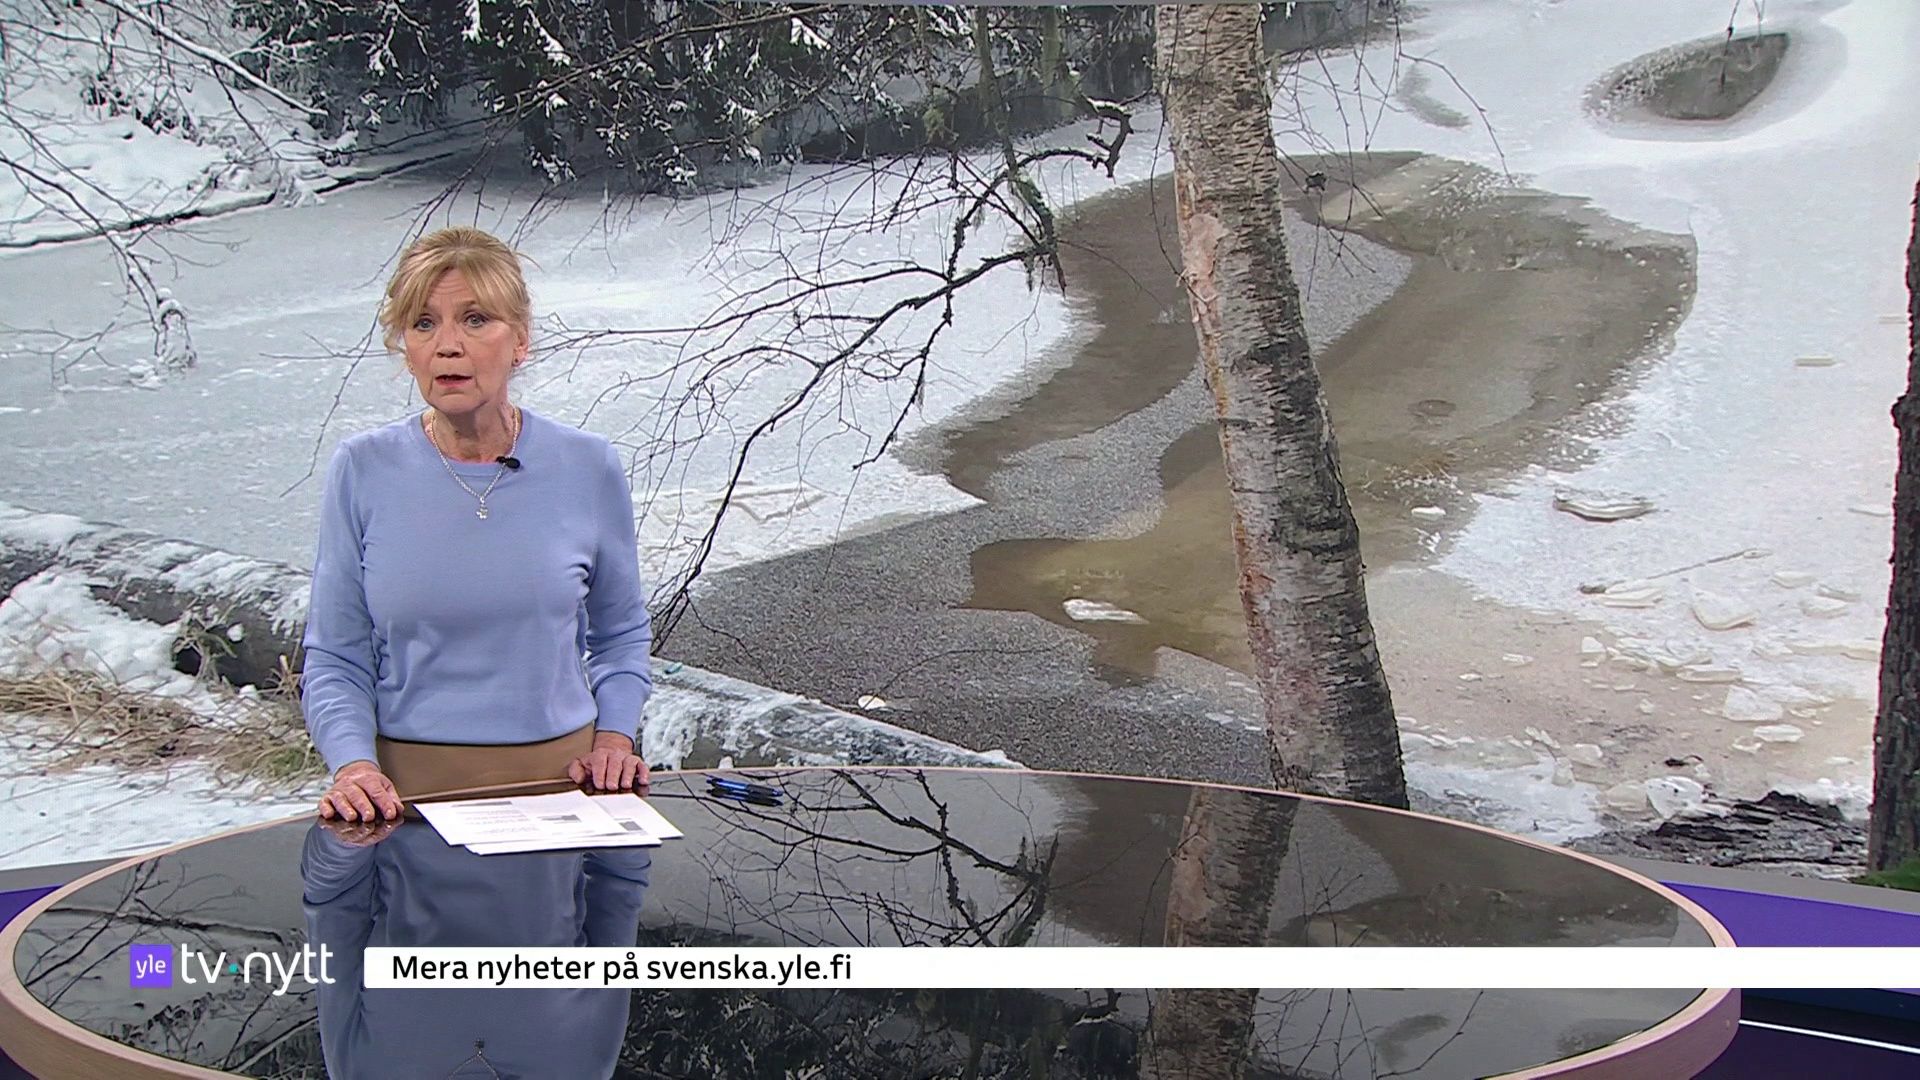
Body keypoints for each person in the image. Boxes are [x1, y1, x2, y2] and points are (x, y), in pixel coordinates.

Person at [302, 227, 653, 820]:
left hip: (564, 792)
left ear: (520, 340)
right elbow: (336, 656)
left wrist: (615, 739)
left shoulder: (587, 466)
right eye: (423, 324)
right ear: (406, 349)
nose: (447, 346)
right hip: (402, 802)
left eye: (474, 320)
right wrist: (353, 767)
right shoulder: (362, 469)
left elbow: (620, 635)